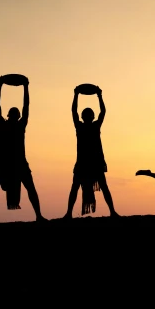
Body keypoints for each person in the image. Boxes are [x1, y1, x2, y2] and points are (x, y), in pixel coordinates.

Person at [0, 77, 45, 224]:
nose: (15, 116)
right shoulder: (4, 124)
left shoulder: (17, 125)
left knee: (30, 189)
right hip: (3, 162)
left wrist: (25, 87)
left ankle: (39, 216)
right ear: (12, 116)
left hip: (18, 162)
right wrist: (0, 86)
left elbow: (25, 105)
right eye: (14, 115)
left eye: (15, 115)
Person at [64, 86, 119, 218]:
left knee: (96, 187)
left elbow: (102, 112)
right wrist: (95, 96)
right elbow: (75, 111)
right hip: (86, 163)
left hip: (93, 163)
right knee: (77, 187)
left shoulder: (90, 126)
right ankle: (69, 213)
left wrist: (79, 95)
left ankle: (112, 211)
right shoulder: (83, 127)